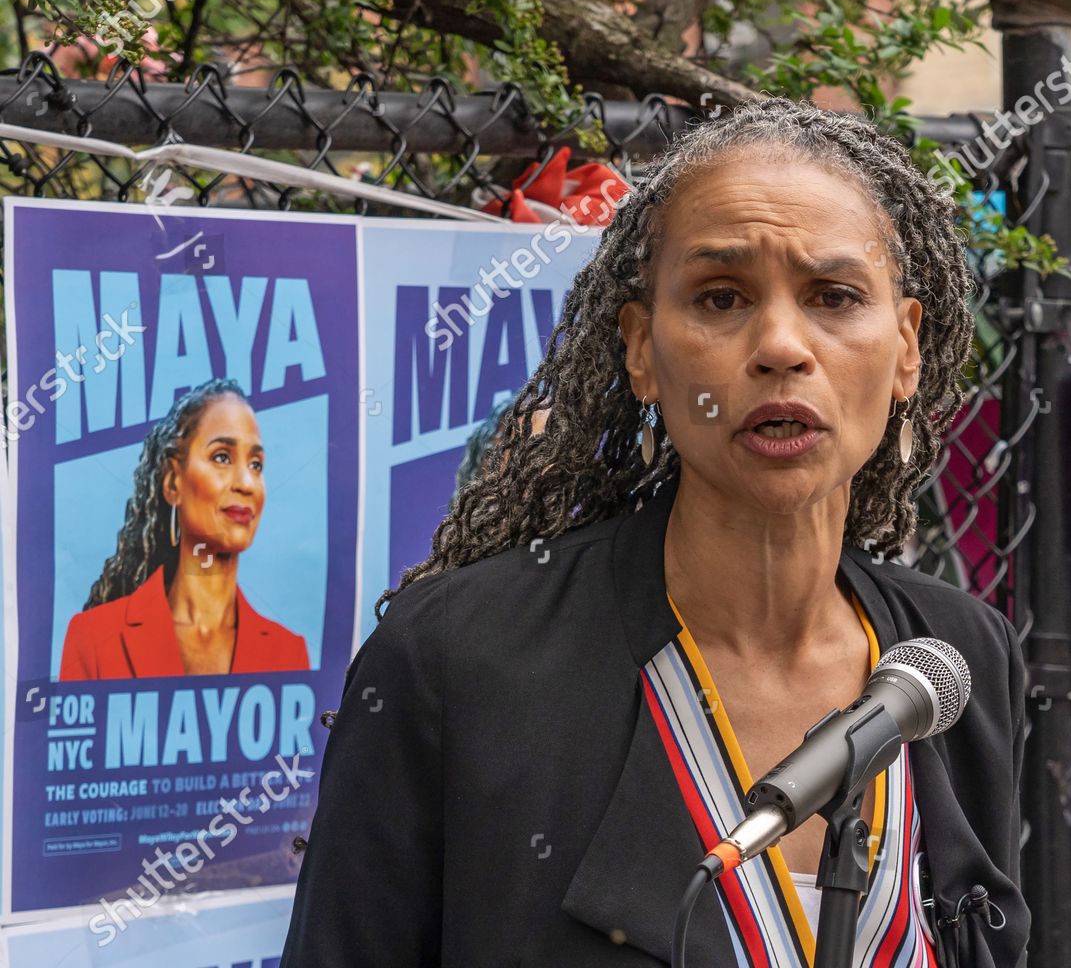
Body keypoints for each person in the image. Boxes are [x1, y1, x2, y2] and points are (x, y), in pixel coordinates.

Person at [281, 97, 1029, 967]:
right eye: (720, 297)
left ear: (906, 349)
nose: (782, 345)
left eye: (834, 296)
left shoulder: (956, 658)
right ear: (641, 348)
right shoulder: (456, 662)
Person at [60, 378, 310, 679]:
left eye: (256, 464)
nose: (246, 483)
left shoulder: (288, 653)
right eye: (222, 457)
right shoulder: (92, 639)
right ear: (173, 481)